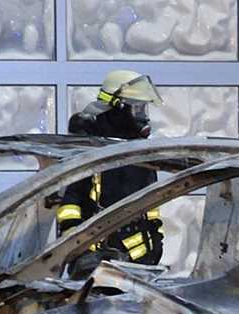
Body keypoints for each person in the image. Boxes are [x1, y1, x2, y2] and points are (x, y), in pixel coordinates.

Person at [55, 70, 166, 269]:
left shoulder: (138, 151)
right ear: (118, 107)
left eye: (143, 109)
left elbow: (150, 201)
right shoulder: (90, 148)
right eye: (137, 108)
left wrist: (156, 236)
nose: (142, 116)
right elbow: (70, 202)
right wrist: (78, 248)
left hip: (139, 260)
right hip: (96, 260)